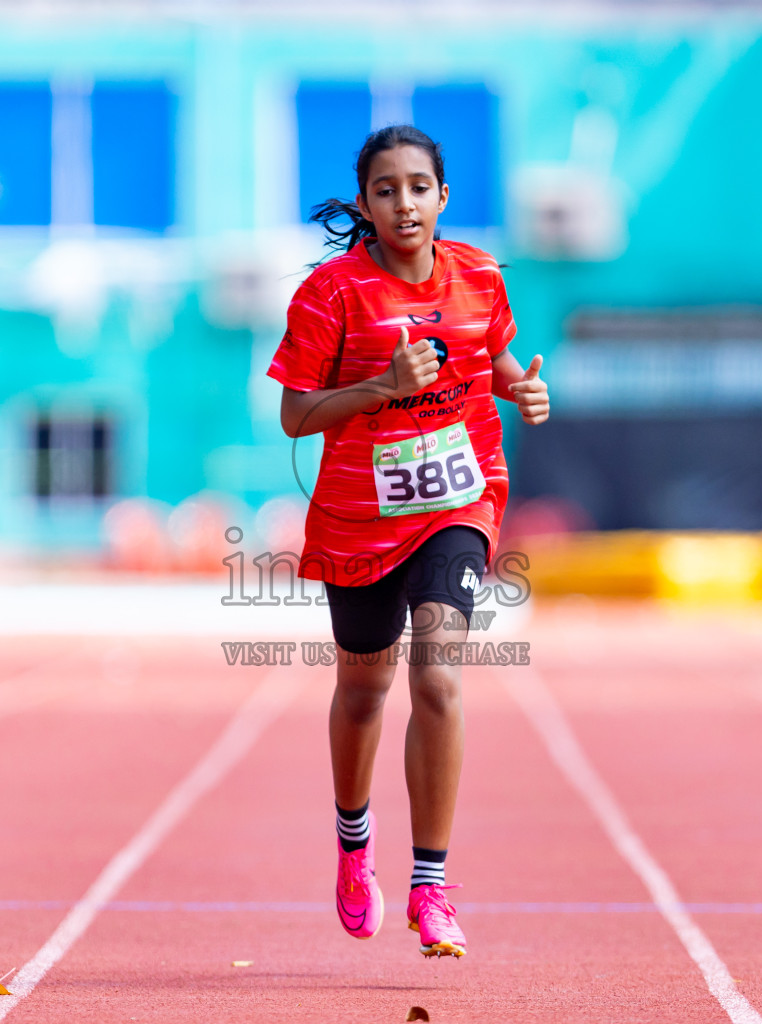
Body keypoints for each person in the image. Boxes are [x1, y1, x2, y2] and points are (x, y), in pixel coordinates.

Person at [268, 125, 549, 957]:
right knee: (364, 691)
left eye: (419, 187)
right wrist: (380, 389)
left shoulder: (481, 276)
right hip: (359, 518)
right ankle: (355, 848)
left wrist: (522, 389)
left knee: (437, 671)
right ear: (365, 203)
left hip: (458, 502)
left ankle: (432, 886)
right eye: (385, 190)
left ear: (444, 197)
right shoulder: (332, 295)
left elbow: (490, 358)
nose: (404, 203)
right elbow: (294, 414)